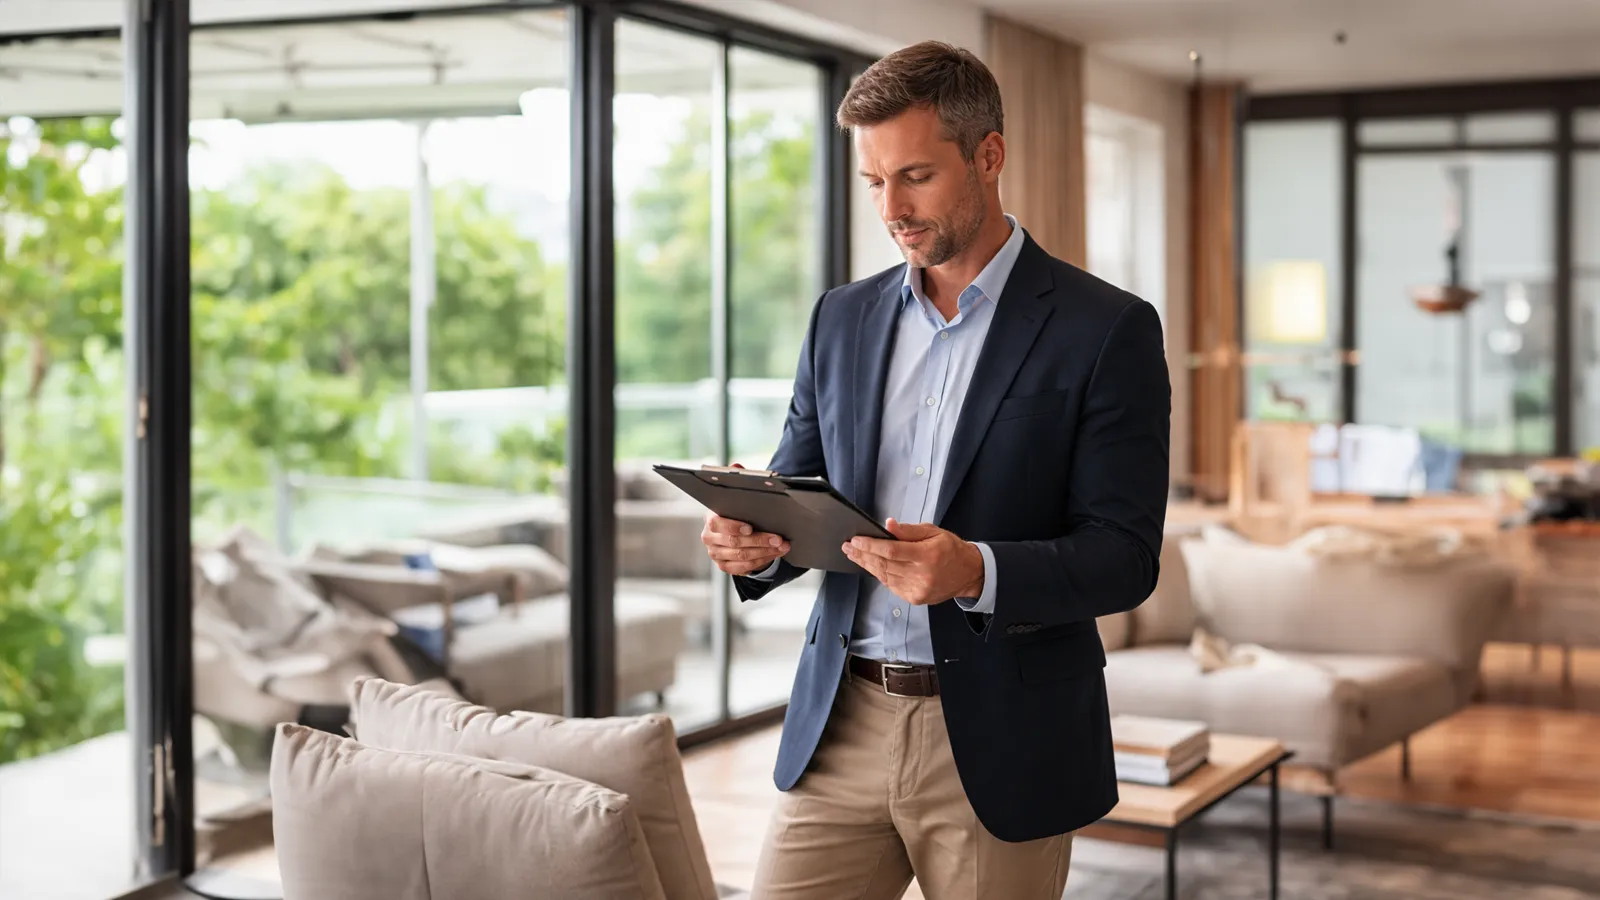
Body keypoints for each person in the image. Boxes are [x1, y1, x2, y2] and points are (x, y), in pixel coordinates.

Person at [700, 40, 1170, 900]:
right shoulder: (839, 319)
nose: (892, 208)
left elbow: (1126, 556)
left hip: (1002, 736)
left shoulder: (1107, 329)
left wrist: (974, 571)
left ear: (989, 155)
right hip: (839, 723)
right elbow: (801, 494)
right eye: (874, 181)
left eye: (915, 176)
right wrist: (753, 544)